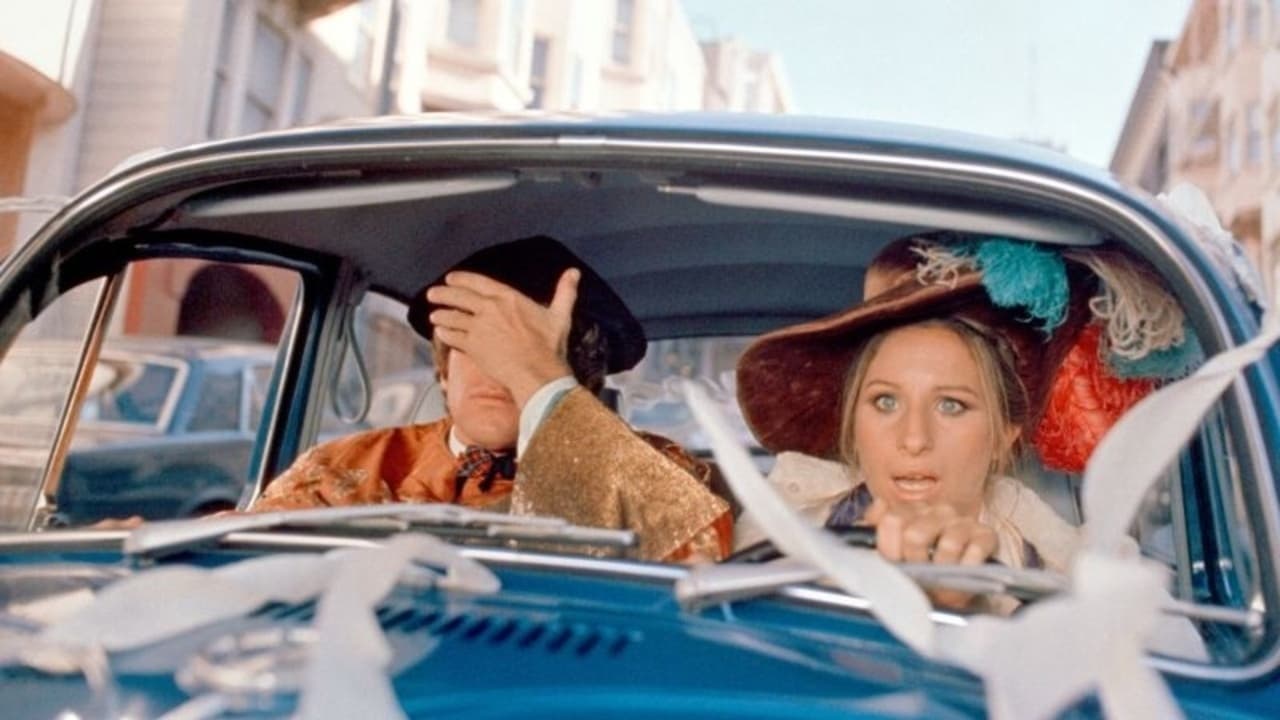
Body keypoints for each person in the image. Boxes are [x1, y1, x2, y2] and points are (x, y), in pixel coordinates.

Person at [252, 235, 732, 563]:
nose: (499, 369)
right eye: (478, 345)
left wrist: (541, 381)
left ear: (581, 379)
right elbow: (241, 557)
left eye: (521, 353)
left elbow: (700, 553)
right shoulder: (345, 466)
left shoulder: (658, 468)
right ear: (444, 370)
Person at [733, 233, 1193, 574]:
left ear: (1004, 436)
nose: (914, 439)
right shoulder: (777, 531)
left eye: (951, 406)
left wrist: (975, 601)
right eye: (886, 401)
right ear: (853, 424)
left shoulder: (1070, 569)